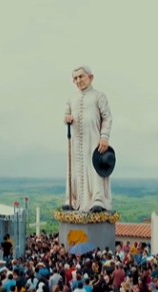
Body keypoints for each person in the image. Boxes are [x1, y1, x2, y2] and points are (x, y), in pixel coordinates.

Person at [62, 65, 113, 213]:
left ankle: (98, 200)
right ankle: (72, 200)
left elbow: (107, 117)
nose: (78, 80)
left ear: (90, 78)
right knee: (74, 170)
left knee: (94, 169)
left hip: (94, 140)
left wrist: (104, 137)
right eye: (75, 78)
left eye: (81, 76)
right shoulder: (71, 99)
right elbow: (66, 115)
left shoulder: (99, 96)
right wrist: (67, 118)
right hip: (76, 142)